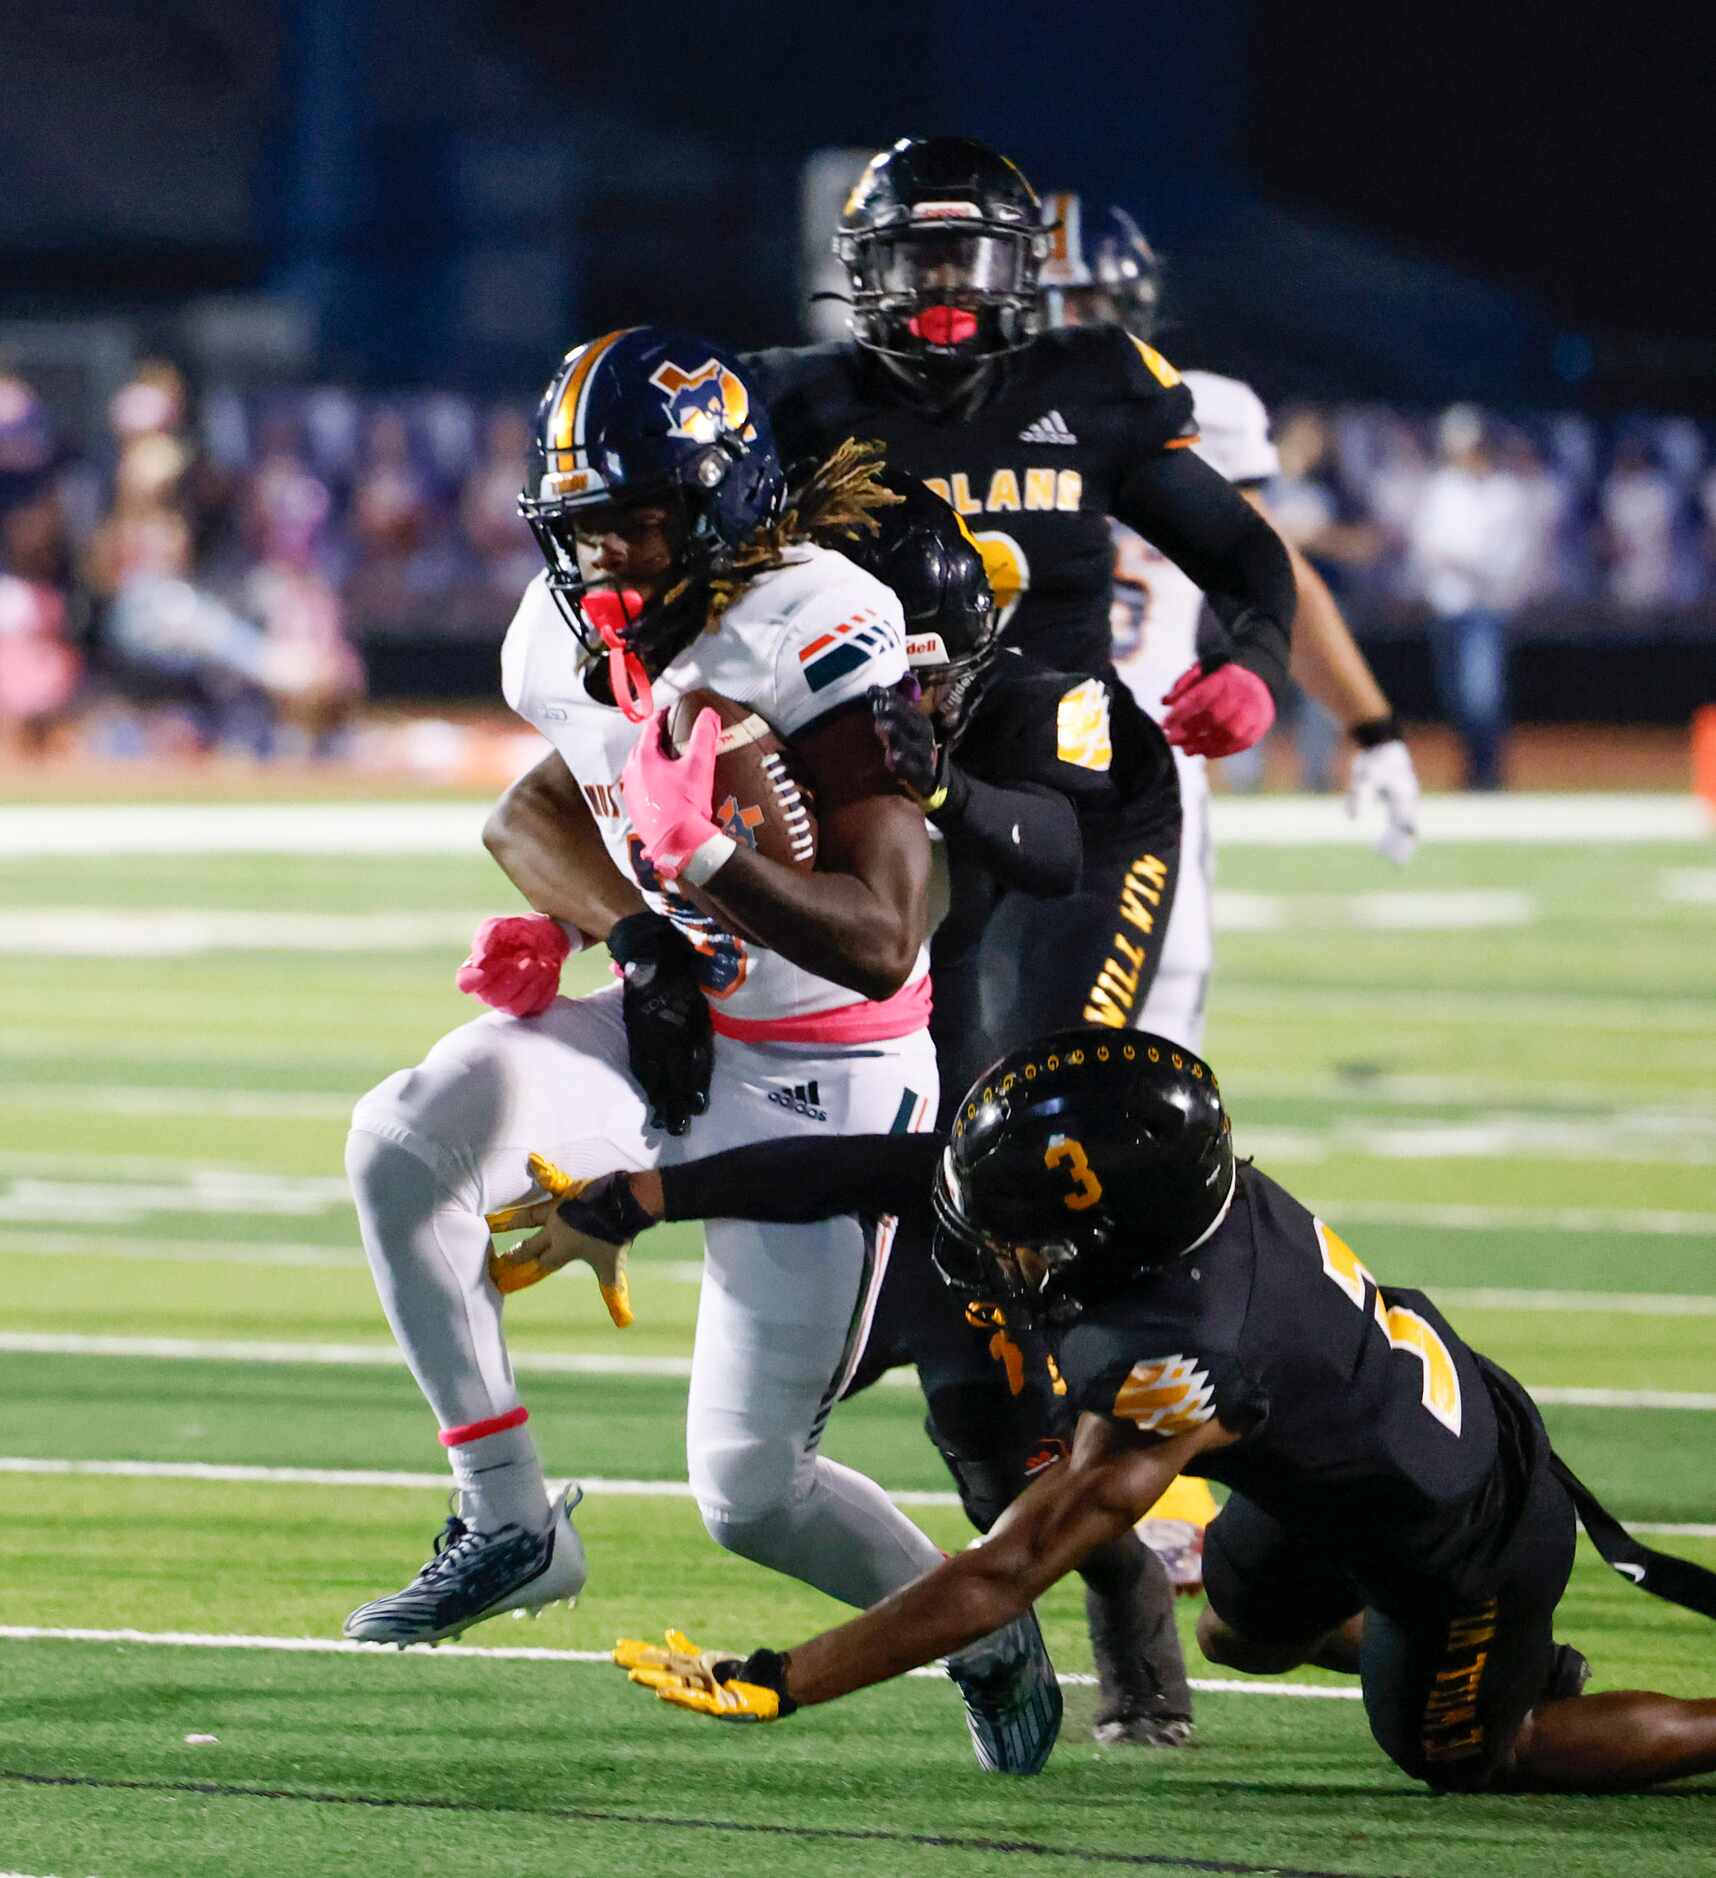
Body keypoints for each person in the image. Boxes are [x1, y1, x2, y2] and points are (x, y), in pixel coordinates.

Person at [342, 326, 1059, 1775]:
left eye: (636, 521)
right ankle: (507, 1520)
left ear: (725, 503)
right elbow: (531, 814)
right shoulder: (565, 634)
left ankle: (980, 1629)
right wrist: (638, 936)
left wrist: (709, 857)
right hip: (683, 1025)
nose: (602, 558)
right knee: (406, 1136)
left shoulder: (816, 623)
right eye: (579, 526)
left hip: (826, 1070)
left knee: (749, 1490)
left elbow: (882, 933)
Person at [503, 1029, 1716, 1793]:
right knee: (1241, 1628)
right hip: (1369, 1450)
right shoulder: (1169, 1204)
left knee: (1469, 1758)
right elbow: (890, 1169)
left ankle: (1557, 1687)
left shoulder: (1171, 1357)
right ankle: (1494, 1664)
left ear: (1106, 1231)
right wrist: (653, 1193)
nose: (990, 1252)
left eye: (1021, 1236)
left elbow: (1008, 1569)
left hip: (1454, 1534)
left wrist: (788, 1675)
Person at [1041, 196, 1420, 1051]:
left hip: (1152, 768)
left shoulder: (1198, 409)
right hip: (1005, 763)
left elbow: (1273, 574)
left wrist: (1375, 729)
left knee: (1157, 1056)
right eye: (1051, 303)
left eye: (1089, 305)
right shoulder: (964, 429)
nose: (1069, 328)